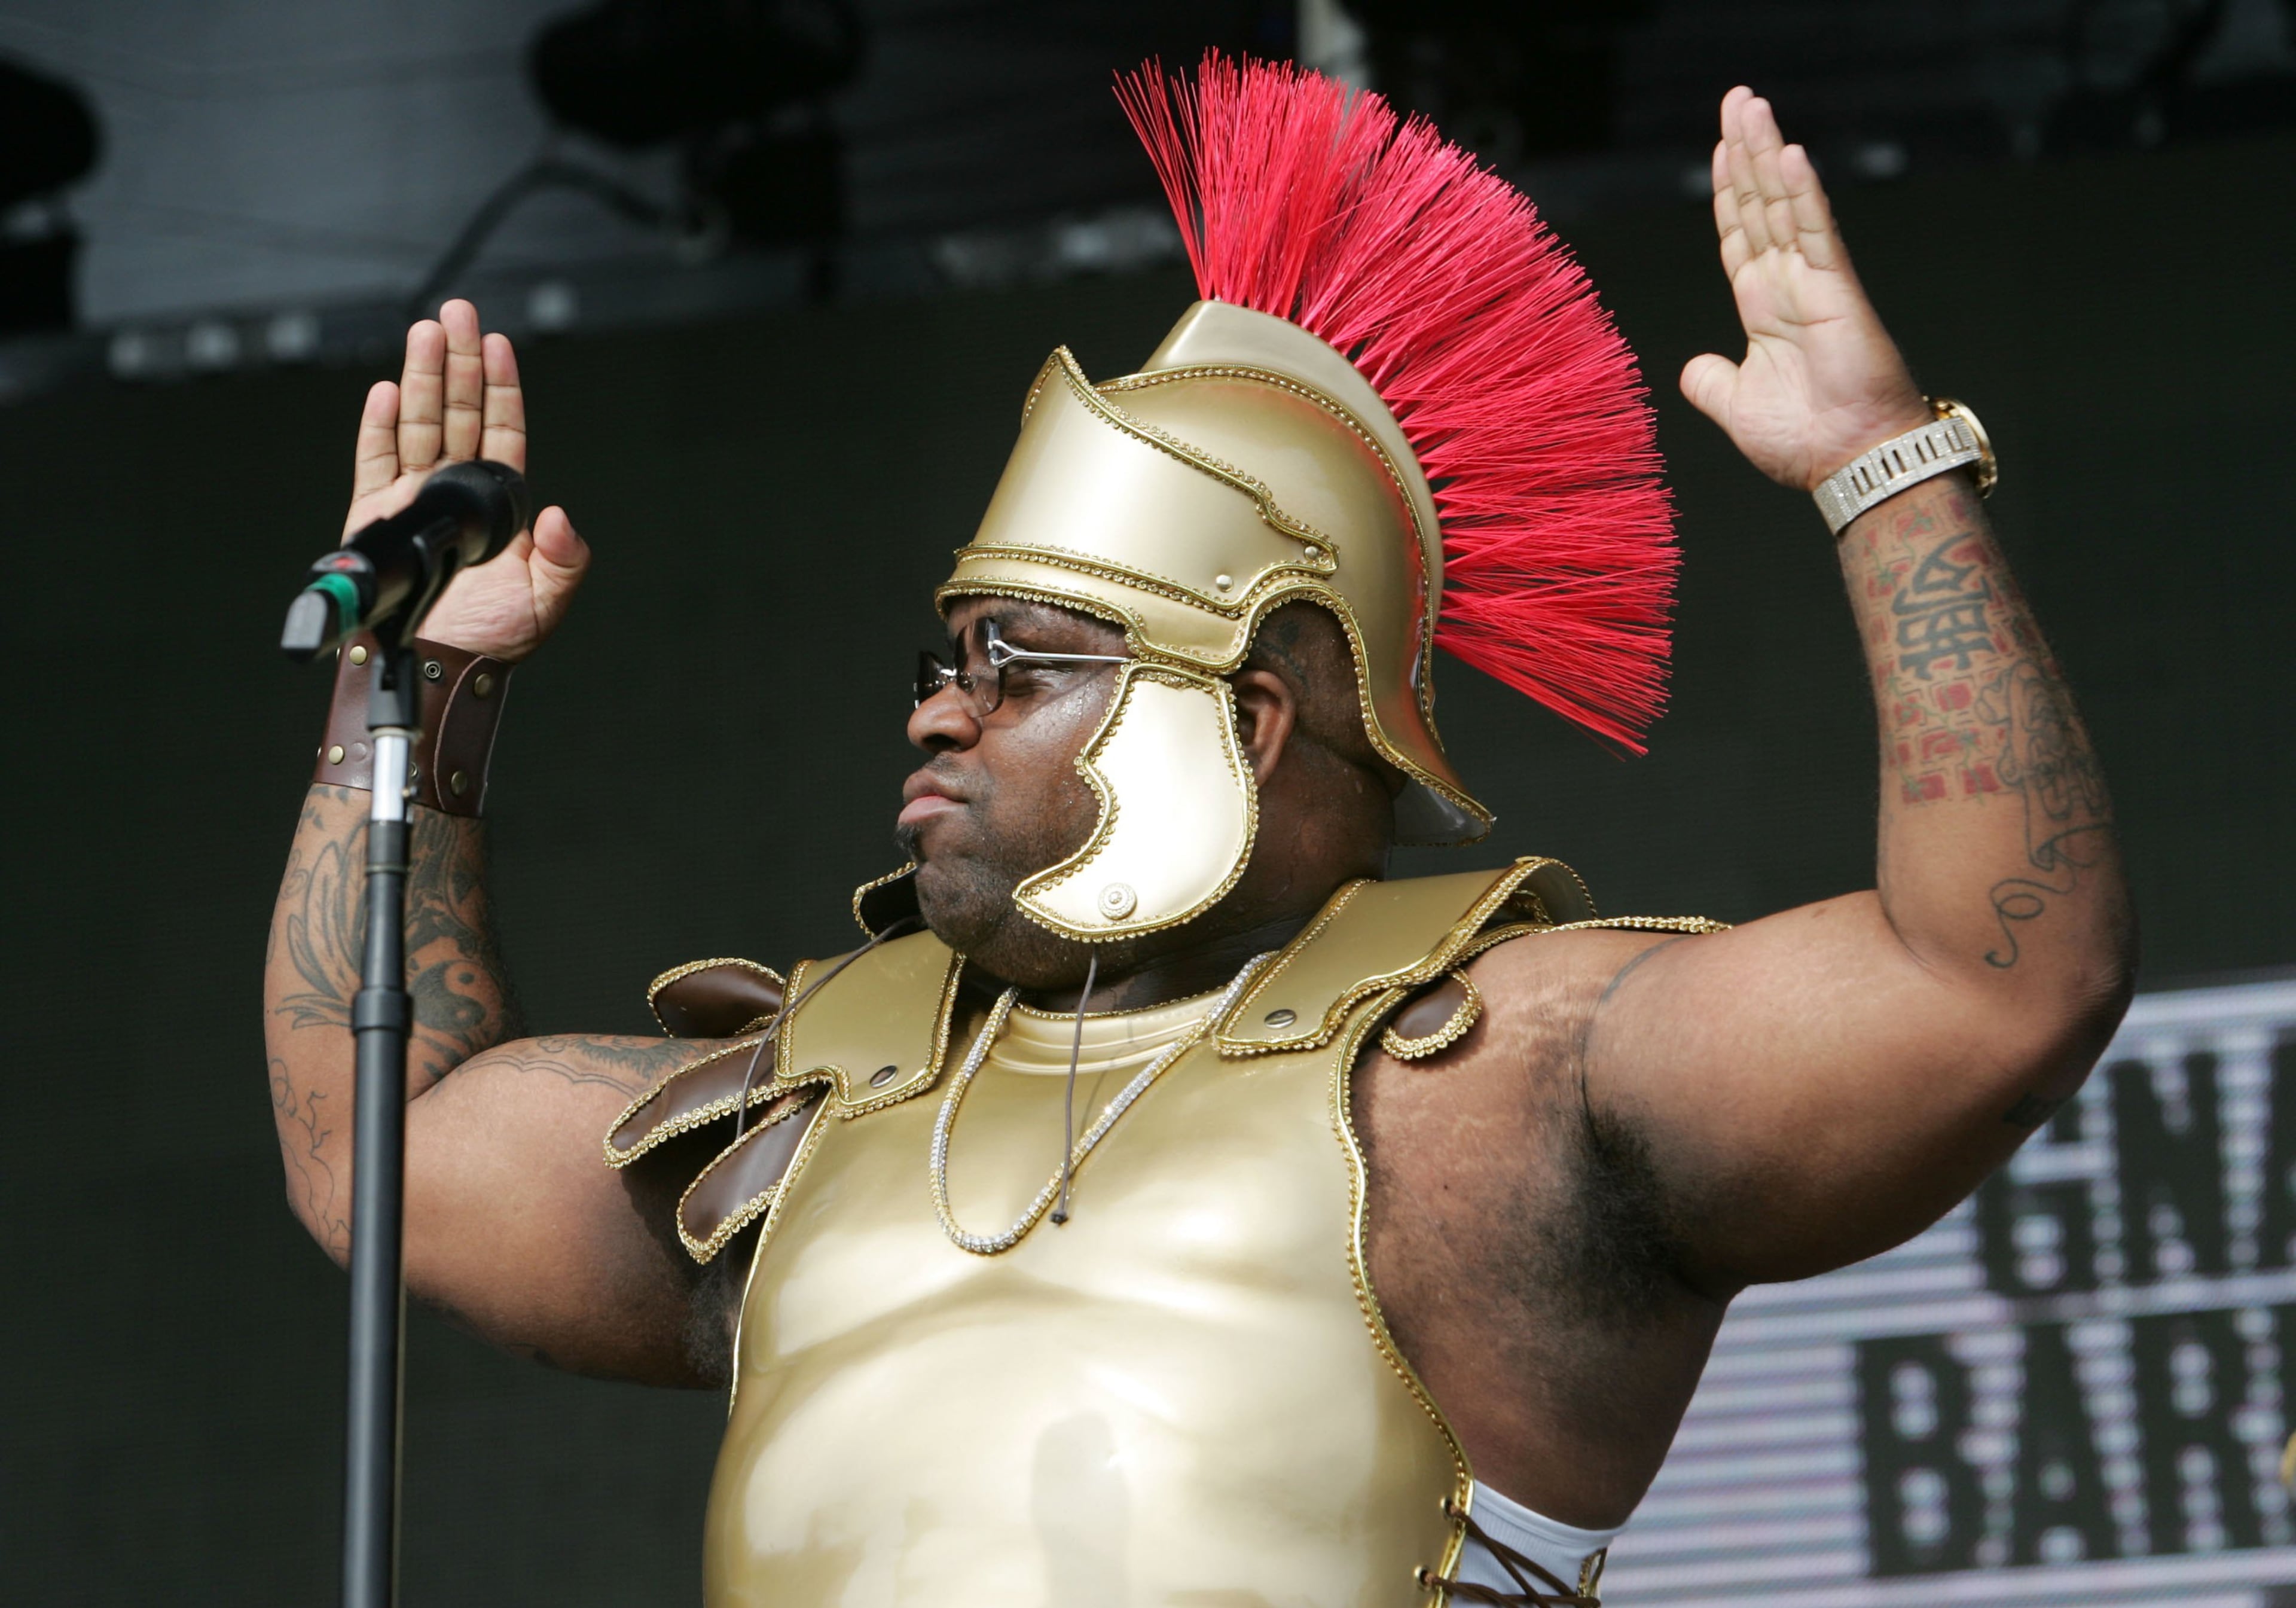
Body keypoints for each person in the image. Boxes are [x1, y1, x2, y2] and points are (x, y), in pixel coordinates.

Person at [264, 60, 2133, 1606]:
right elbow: (381, 1143)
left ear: (1239, 718)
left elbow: (1994, 983)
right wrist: (413, 695)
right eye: (945, 657)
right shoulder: (816, 1111)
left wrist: (1885, 475)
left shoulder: (1503, 1072)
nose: (936, 704)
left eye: (1021, 661)